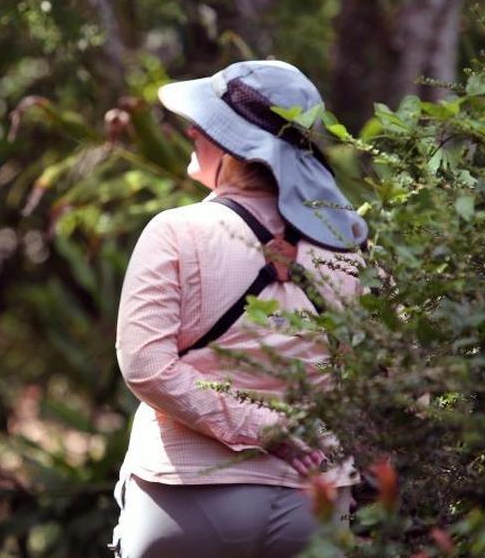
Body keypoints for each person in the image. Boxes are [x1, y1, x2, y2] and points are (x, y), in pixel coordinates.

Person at [109, 60, 368, 558]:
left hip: (186, 499)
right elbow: (373, 370)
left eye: (205, 125)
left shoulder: (176, 231)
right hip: (313, 503)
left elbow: (145, 366)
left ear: (236, 145)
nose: (191, 131)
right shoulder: (346, 246)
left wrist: (262, 429)